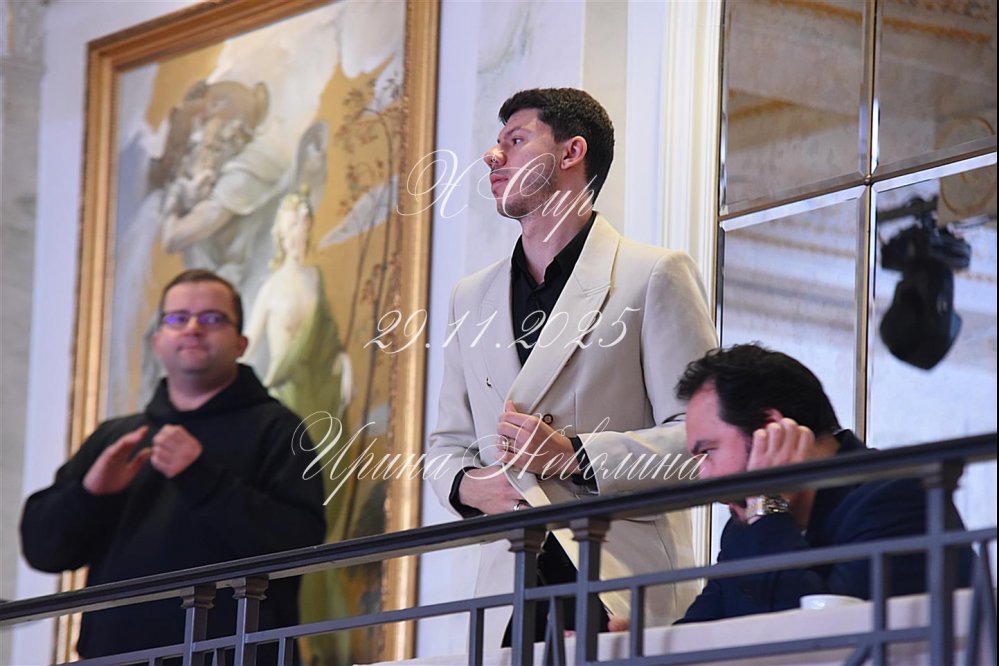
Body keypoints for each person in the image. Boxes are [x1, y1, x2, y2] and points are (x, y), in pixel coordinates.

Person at [428, 87, 718, 646]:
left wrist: (575, 456)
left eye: (515, 139)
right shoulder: (470, 298)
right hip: (507, 600)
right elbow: (447, 445)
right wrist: (470, 485)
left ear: (571, 151)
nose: (492, 155)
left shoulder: (654, 274)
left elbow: (703, 440)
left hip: (618, 585)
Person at [20, 269, 326, 660]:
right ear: (158, 341)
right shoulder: (117, 436)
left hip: (234, 656)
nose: (193, 328)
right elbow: (43, 551)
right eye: (178, 318)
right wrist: (89, 493)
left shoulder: (278, 429)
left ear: (241, 343)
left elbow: (299, 543)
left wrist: (200, 476)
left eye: (212, 318)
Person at [674, 343, 973, 622]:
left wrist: (768, 506)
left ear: (771, 430)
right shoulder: (745, 528)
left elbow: (820, 638)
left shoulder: (897, 498)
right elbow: (695, 636)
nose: (704, 476)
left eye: (708, 452)